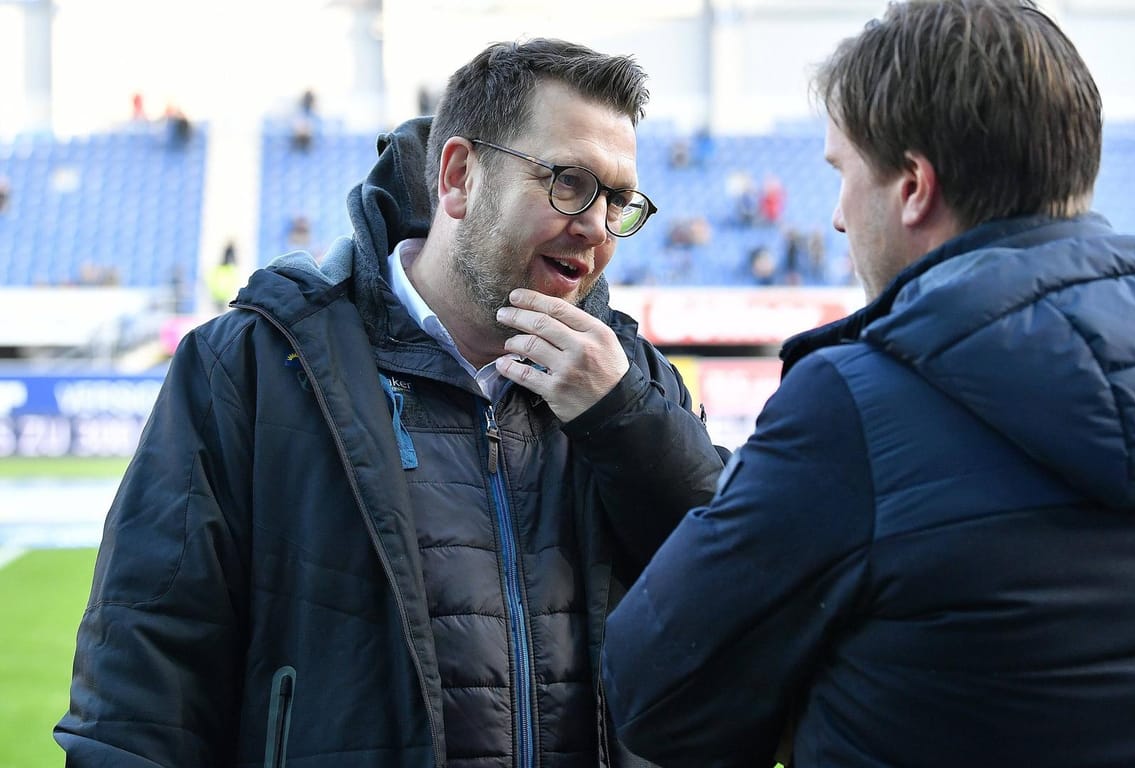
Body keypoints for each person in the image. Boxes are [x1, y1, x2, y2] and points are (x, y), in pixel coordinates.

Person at [601, 2, 1135, 766]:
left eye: (842, 173)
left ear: (915, 187)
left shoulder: (857, 402)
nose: (834, 218)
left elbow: (652, 692)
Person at [56, 38, 726, 767]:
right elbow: (141, 687)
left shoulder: (632, 380)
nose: (598, 226)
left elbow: (732, 595)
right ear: (460, 176)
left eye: (619, 201)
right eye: (569, 182)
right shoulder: (251, 365)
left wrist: (621, 418)